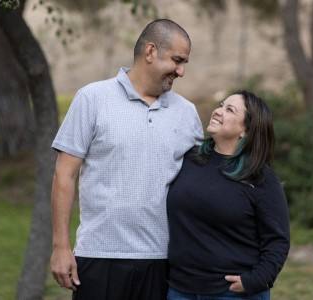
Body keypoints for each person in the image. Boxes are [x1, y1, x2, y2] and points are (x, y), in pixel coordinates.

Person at [50, 19, 203, 300]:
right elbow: (64, 175)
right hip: (99, 255)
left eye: (184, 64)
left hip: (164, 259)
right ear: (150, 51)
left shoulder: (187, 114)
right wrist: (60, 246)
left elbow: (200, 186)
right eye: (177, 60)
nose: (181, 71)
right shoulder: (92, 99)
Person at [167, 90, 290, 300]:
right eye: (221, 105)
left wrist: (256, 280)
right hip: (180, 289)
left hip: (230, 293)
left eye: (229, 109)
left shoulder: (260, 178)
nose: (217, 111)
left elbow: (277, 240)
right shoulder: (190, 159)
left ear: (246, 130)